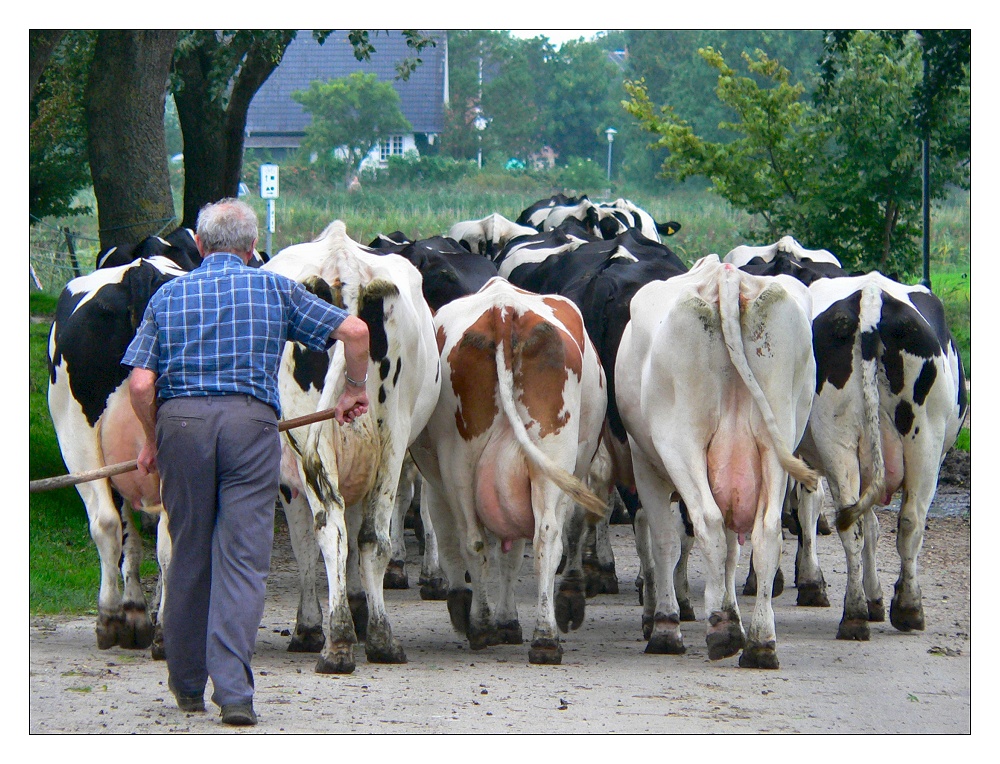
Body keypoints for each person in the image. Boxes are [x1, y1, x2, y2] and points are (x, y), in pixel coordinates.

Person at [122, 198, 369, 727]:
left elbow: (141, 383)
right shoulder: (275, 288)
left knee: (189, 553)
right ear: (253, 247)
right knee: (242, 560)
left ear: (202, 246)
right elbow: (356, 333)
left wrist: (152, 438)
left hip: (182, 429)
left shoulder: (168, 296)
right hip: (251, 429)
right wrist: (353, 387)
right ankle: (234, 693)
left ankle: (186, 686)